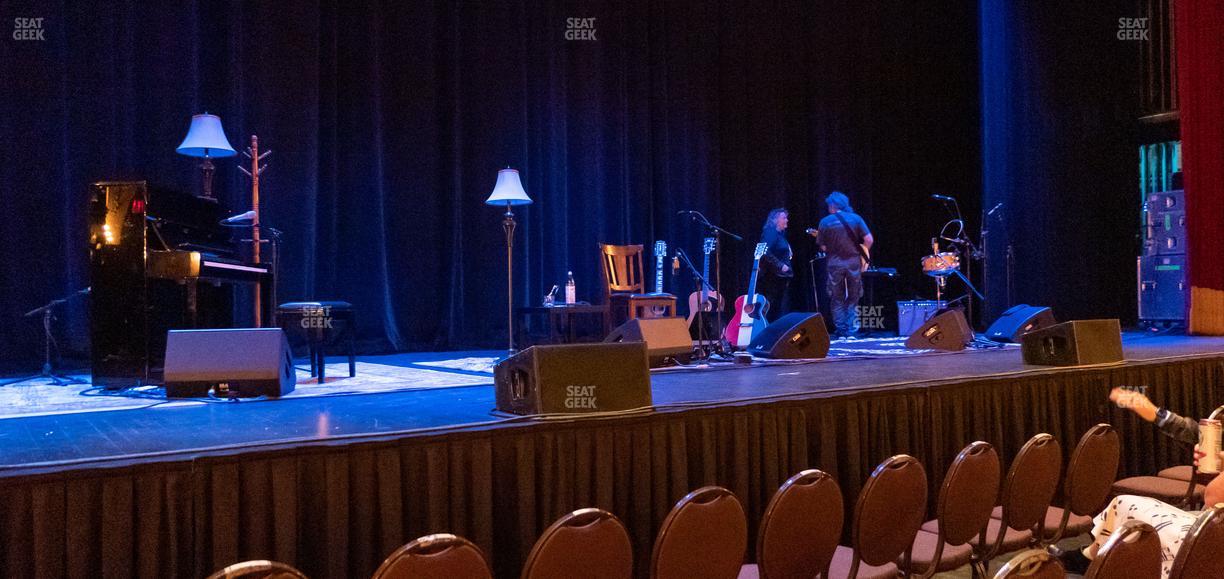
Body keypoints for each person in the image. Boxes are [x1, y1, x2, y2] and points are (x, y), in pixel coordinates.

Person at [809, 192, 873, 338]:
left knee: (836, 297)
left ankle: (841, 331)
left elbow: (823, 247)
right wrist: (864, 252)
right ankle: (851, 331)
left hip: (834, 264)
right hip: (854, 263)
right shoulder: (856, 218)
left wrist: (834, 248)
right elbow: (869, 239)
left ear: (832, 205)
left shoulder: (825, 221)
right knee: (853, 296)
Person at [757, 208, 793, 322]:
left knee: (777, 306)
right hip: (772, 276)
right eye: (784, 218)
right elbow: (765, 251)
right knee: (772, 305)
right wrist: (780, 265)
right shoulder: (770, 232)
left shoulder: (779, 234)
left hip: (780, 276)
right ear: (775, 220)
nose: (786, 220)